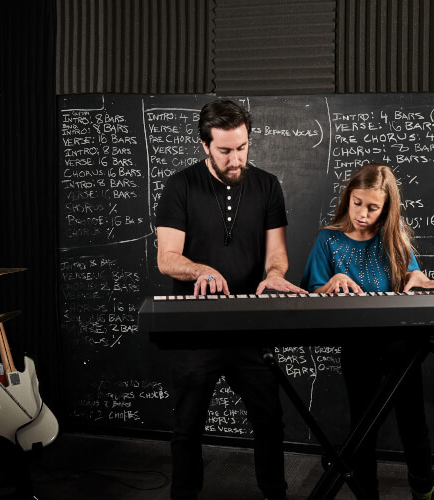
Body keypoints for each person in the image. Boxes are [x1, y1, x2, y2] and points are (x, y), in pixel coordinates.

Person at [155, 99, 306, 500]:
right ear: (205, 146)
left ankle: (275, 493)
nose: (235, 159)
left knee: (269, 419)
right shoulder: (180, 186)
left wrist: (274, 276)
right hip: (196, 326)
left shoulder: (267, 185)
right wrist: (200, 270)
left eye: (242, 148)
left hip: (249, 325)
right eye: (225, 151)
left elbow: (277, 254)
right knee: (187, 425)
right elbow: (167, 258)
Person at [301, 162, 434, 500]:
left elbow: (412, 277)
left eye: (372, 207)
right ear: (348, 198)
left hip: (402, 345)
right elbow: (311, 292)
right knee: (363, 428)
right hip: (358, 346)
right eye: (357, 203)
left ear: (386, 208)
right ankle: (367, 494)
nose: (363, 213)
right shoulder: (328, 240)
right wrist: (332, 283)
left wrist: (417, 278)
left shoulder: (394, 239)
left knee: (413, 423)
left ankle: (423, 492)